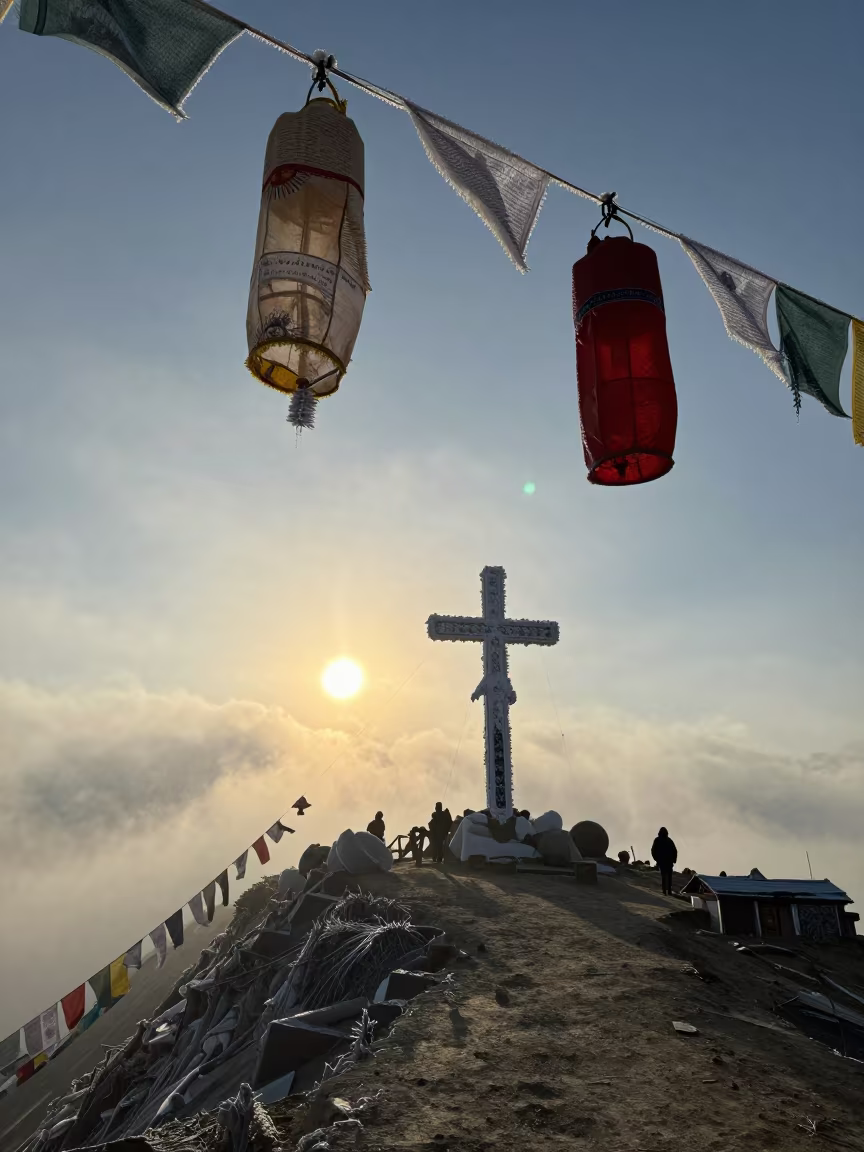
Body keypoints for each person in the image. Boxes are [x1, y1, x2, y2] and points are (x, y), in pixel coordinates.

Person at [651, 827, 678, 895]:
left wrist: (657, 859)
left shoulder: (657, 840)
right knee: (669, 876)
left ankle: (665, 891)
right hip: (668, 861)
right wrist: (674, 860)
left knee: (664, 876)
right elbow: (675, 850)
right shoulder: (669, 840)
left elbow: (653, 850)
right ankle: (668, 891)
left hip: (663, 861)